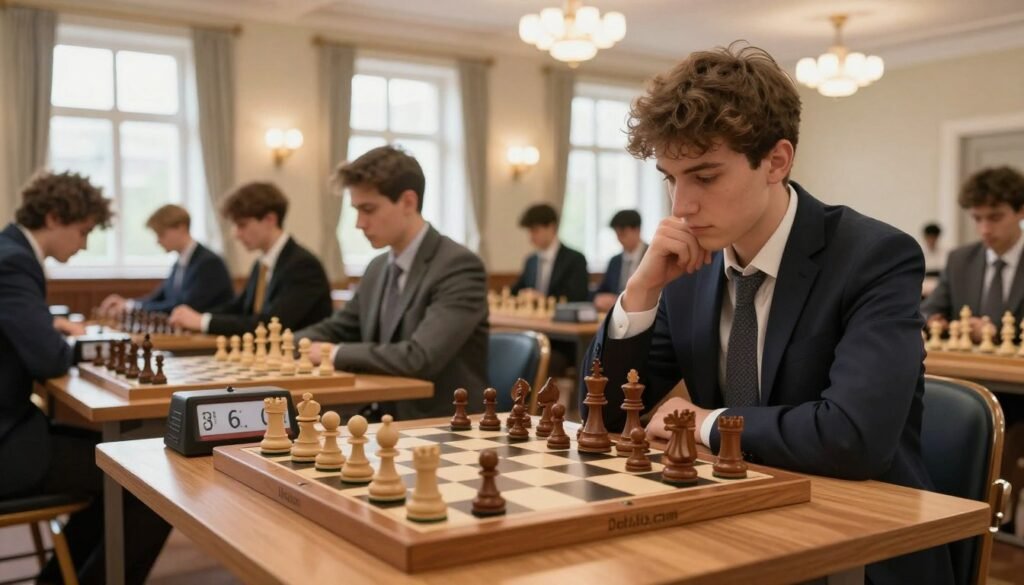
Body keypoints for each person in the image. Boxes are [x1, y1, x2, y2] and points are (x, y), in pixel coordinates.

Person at [579, 44, 952, 584]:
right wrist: (639, 291)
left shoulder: (874, 257)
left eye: (705, 177)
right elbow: (606, 416)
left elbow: (853, 439)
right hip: (730, 525)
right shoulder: (687, 269)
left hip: (858, 545)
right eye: (670, 177)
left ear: (777, 161)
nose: (680, 205)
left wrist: (704, 421)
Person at [0, 171, 170, 585]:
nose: (85, 244)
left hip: (16, 426)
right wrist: (63, 341)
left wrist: (51, 329)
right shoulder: (13, 260)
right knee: (152, 481)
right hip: (8, 445)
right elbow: (50, 360)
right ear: (54, 217)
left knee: (122, 462)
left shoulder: (9, 250)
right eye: (83, 231)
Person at [295, 146, 488, 420]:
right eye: (356, 210)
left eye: (368, 209)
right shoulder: (377, 267)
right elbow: (339, 327)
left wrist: (332, 353)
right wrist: (285, 344)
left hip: (443, 424)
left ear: (408, 202)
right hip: (380, 415)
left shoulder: (458, 266)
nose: (359, 223)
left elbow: (419, 358)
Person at [168, 182, 332, 336]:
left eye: (242, 225)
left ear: (269, 220)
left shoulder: (303, 265)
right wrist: (196, 316)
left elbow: (271, 325)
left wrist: (203, 321)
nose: (235, 234)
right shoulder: (261, 264)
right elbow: (239, 308)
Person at [921, 166, 1024, 338]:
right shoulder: (959, 260)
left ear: (1021, 211)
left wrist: (994, 334)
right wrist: (934, 320)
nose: (985, 230)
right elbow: (928, 310)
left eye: (995, 217)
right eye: (977, 218)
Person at [99, 204, 233, 315]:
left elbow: (183, 307)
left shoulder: (209, 263)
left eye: (161, 234)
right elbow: (160, 297)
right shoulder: (179, 263)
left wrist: (131, 307)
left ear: (181, 228)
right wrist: (128, 304)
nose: (158, 241)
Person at [510, 203, 589, 302]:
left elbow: (577, 297)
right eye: (529, 231)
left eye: (535, 230)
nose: (531, 236)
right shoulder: (531, 261)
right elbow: (517, 290)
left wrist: (544, 299)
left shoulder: (575, 260)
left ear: (552, 228)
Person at [592, 209, 648, 312]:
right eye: (617, 234)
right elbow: (602, 290)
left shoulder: (652, 257)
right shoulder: (615, 261)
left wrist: (619, 300)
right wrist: (599, 298)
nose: (619, 239)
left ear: (637, 230)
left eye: (623, 234)